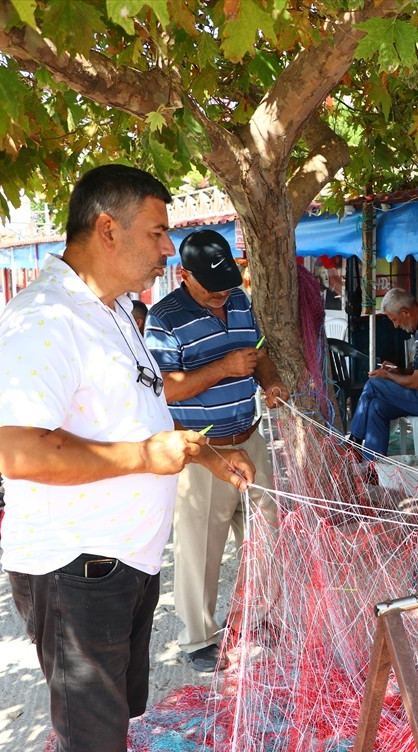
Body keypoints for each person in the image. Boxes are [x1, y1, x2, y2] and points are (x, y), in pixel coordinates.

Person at [0, 165, 254, 752]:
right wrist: (143, 455)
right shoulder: (46, 316)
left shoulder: (109, 312)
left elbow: (144, 404)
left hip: (118, 562)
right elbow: (18, 452)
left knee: (108, 739)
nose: (170, 248)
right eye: (159, 231)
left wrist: (200, 453)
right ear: (108, 229)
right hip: (76, 565)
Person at [144, 229, 289, 672]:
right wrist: (224, 367)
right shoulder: (163, 319)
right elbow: (163, 389)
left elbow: (257, 353)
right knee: (201, 549)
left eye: (227, 284)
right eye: (212, 288)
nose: (221, 296)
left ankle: (261, 618)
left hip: (250, 436)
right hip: (200, 453)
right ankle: (200, 639)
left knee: (268, 536)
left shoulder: (240, 301)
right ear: (183, 274)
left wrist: (271, 380)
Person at [348, 288, 418, 461]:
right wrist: (399, 371)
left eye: (395, 320)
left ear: (405, 312)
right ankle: (372, 469)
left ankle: (354, 442)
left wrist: (388, 376)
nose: (395, 325)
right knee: (376, 406)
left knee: (374, 384)